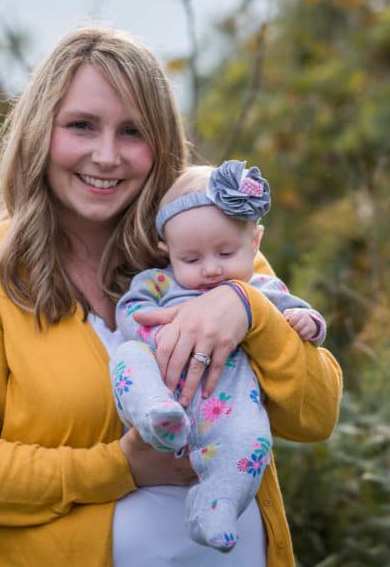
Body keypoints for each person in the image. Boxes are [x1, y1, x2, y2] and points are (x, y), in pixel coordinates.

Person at [0, 25, 343, 566]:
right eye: (82, 126)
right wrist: (122, 467)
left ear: (161, 144)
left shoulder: (204, 248)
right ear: (41, 131)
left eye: (132, 131)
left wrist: (250, 311)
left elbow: (315, 417)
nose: (106, 156)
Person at [112, 160, 326, 553]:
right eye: (191, 260)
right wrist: (162, 332)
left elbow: (300, 313)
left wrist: (305, 322)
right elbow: (129, 312)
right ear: (167, 251)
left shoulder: (259, 287)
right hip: (164, 380)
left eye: (225, 252)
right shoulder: (160, 282)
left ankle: (216, 504)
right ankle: (156, 414)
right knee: (129, 357)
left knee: (252, 441)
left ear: (254, 242)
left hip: (229, 403)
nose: (211, 269)